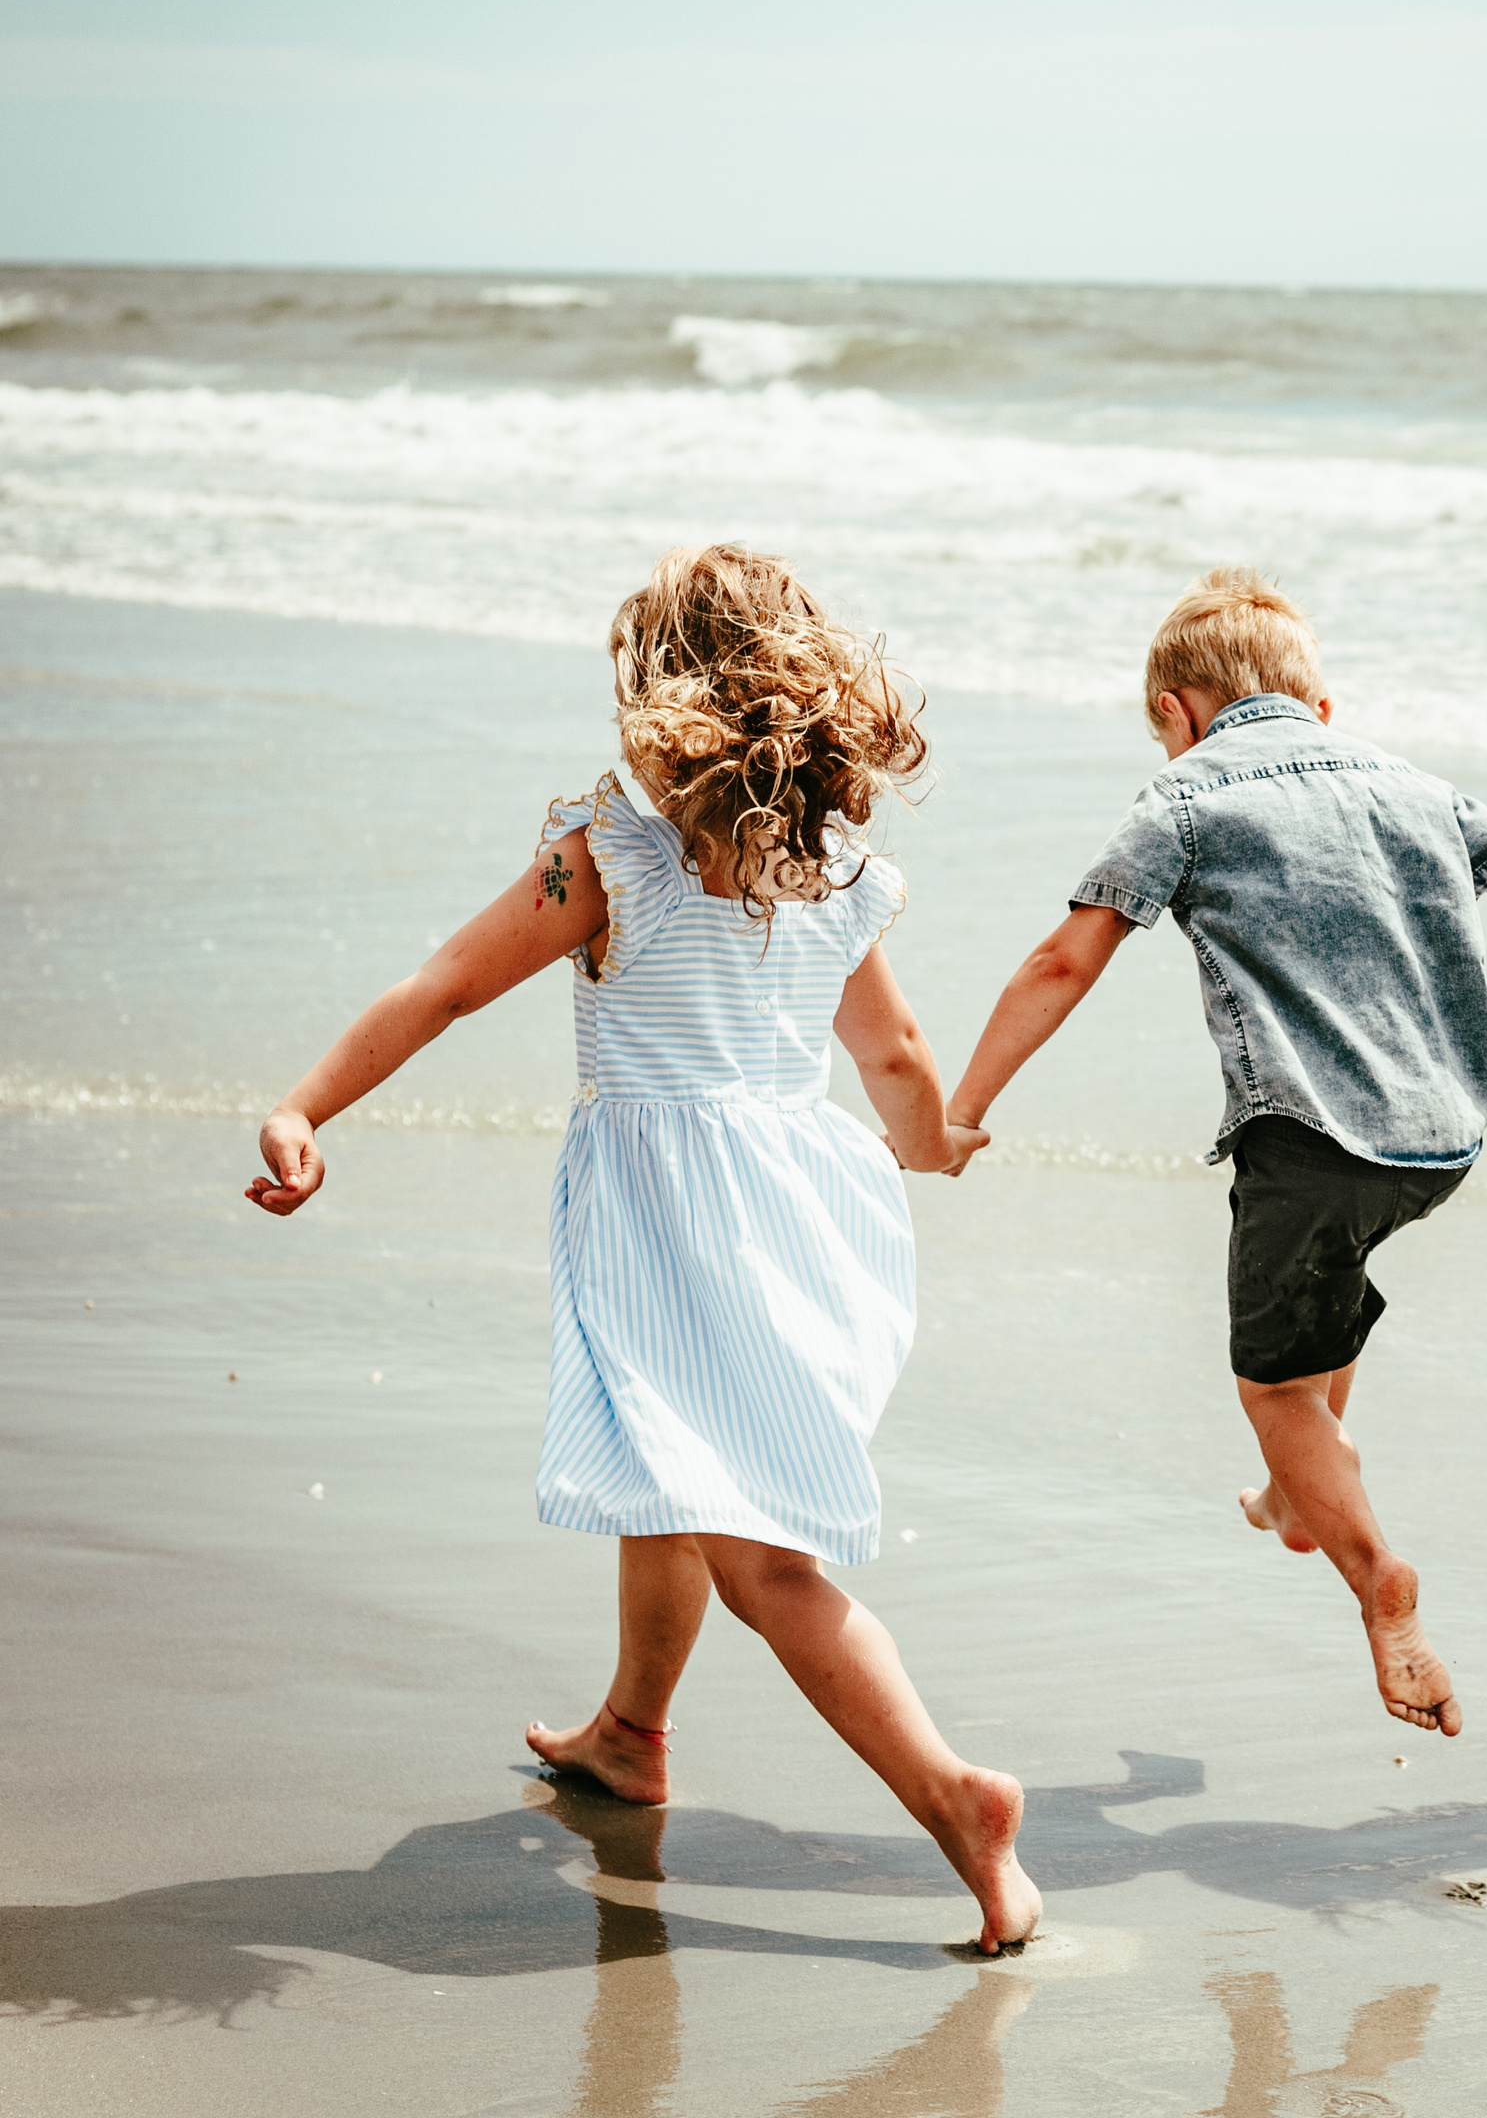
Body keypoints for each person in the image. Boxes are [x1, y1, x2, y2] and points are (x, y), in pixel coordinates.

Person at [242, 545, 1040, 1955]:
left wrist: (307, 1104)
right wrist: (930, 1142)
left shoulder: (614, 849)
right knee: (663, 1459)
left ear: (663, 687)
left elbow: (446, 986)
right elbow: (896, 1055)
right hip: (801, 1207)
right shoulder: (829, 866)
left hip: (678, 1222)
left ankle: (953, 1798)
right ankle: (631, 1731)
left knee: (763, 1562)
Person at [942, 568, 1487, 1739]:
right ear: (1319, 707)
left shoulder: (1184, 795)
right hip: (1438, 1138)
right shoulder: (1408, 782)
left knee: (1272, 1383)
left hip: (1309, 1134)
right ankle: (1293, 1490)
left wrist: (963, 1107)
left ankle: (1379, 1578)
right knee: (1322, 1302)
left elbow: (1064, 959)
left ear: (1175, 711)